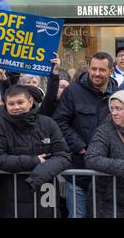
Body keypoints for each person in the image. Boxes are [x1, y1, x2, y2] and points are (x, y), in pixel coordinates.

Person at [53, 52, 118, 218]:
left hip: (108, 175)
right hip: (78, 171)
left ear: (111, 70)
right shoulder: (73, 91)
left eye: (102, 70)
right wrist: (80, 147)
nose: (97, 73)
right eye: (93, 69)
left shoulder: (117, 95)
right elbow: (59, 122)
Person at [0, 85, 71, 218]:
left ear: (30, 102)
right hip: (11, 192)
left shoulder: (48, 123)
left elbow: (63, 156)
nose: (16, 107)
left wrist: (37, 176)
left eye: (20, 102)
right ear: (6, 104)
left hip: (45, 191)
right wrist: (34, 161)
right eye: (11, 104)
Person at [84, 90, 124, 217]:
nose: (114, 112)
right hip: (107, 200)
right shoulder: (104, 131)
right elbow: (92, 158)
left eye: (119, 108)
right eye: (112, 108)